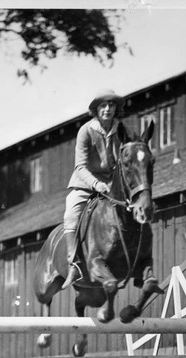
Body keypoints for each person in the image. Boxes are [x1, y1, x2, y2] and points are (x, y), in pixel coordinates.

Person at [61, 89, 125, 289]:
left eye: (111, 105)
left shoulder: (120, 129)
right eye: (103, 106)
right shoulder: (86, 130)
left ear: (116, 109)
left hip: (112, 185)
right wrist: (96, 184)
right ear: (96, 109)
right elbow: (79, 167)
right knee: (71, 213)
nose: (107, 109)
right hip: (86, 184)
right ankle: (74, 265)